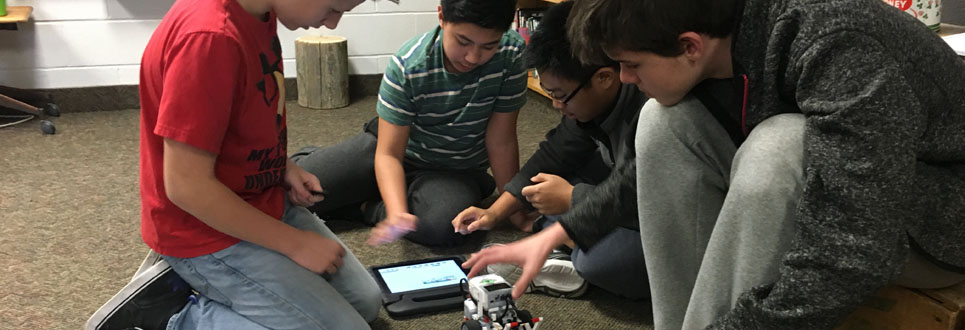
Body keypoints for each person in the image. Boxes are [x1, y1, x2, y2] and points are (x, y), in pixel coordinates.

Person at [563, 0, 965, 329]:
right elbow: (650, 171)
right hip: (858, 198)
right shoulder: (716, 32)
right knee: (661, 121)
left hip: (941, 220)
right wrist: (572, 226)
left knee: (781, 144)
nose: (624, 78)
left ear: (689, 47)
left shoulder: (838, 42)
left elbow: (856, 250)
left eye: (631, 64)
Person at [87, 0, 383, 329]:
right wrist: (294, 243)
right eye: (333, 7)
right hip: (203, 229)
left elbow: (240, 118)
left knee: (366, 303)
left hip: (261, 200)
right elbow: (186, 186)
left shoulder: (262, 11)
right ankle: (171, 316)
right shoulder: (210, 38)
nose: (332, 24)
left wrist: (283, 166)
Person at [451, 1, 649, 300]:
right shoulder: (587, 106)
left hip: (659, 219)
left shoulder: (652, 114)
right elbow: (555, 154)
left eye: (561, 96)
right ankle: (559, 241)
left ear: (605, 79)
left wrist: (573, 199)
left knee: (598, 261)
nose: (556, 106)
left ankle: (562, 247)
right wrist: (495, 212)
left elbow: (651, 201)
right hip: (620, 192)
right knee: (545, 184)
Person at [291, 0, 528, 247]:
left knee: (446, 227)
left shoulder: (511, 54)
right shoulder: (408, 64)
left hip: (453, 171)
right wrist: (395, 210)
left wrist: (513, 209)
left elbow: (502, 141)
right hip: (390, 148)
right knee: (294, 193)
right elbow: (389, 154)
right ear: (441, 17)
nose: (473, 57)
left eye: (489, 45)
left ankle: (366, 206)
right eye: (463, 41)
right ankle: (318, 160)